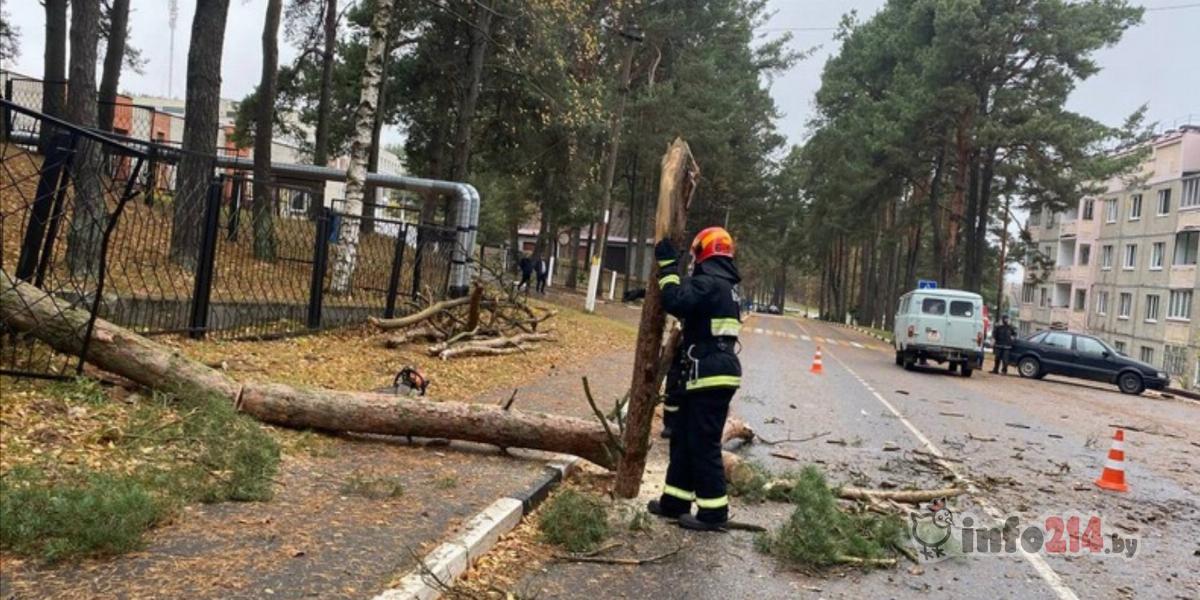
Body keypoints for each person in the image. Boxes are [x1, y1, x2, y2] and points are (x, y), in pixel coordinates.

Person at [646, 226, 742, 531]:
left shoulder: (710, 283)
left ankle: (714, 513)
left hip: (709, 374)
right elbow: (693, 305)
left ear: (703, 252)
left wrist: (667, 267)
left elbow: (676, 300)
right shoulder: (724, 285)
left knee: (702, 444)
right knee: (684, 439)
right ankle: (675, 502)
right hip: (708, 372)